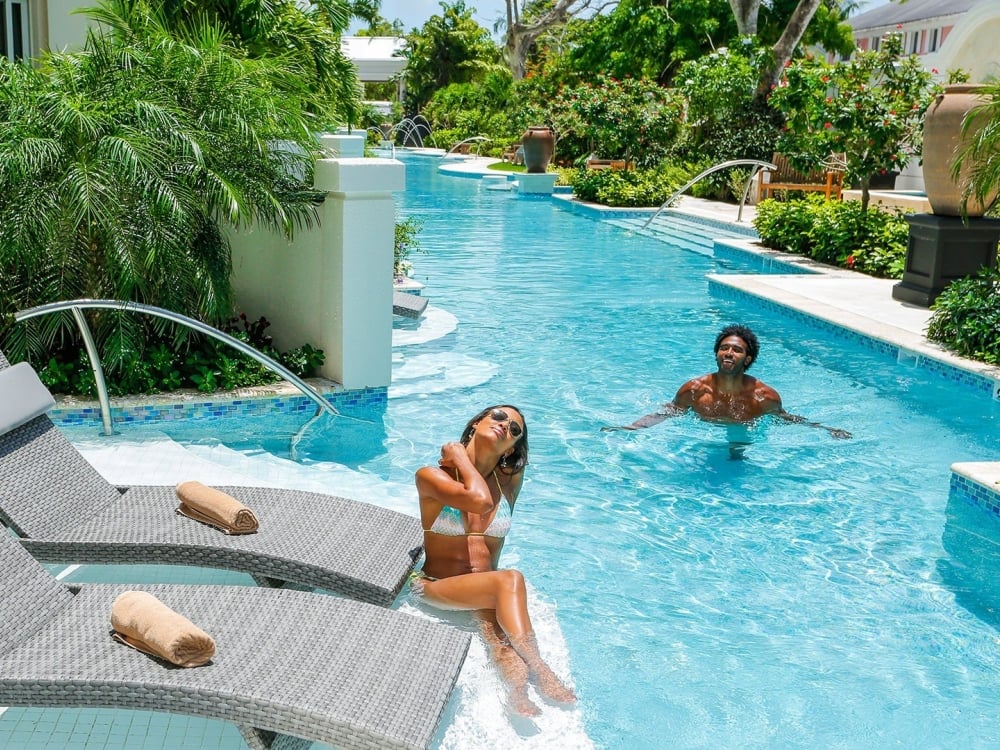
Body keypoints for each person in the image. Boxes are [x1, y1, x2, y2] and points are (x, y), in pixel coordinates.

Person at [414, 404, 577, 716]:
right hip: (437, 586)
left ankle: (517, 696)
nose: (506, 425)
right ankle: (540, 668)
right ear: (477, 422)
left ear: (511, 448)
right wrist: (461, 457)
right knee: (510, 578)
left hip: (484, 591)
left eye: (515, 430)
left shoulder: (509, 482)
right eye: (499, 417)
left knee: (499, 640)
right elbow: (479, 501)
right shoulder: (431, 476)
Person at [602, 324, 852, 439]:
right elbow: (667, 413)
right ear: (717, 353)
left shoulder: (763, 397)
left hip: (742, 435)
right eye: (724, 348)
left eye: (736, 350)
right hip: (702, 438)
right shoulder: (695, 390)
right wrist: (632, 428)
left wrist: (825, 429)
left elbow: (784, 418)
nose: (729, 353)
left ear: (748, 359)